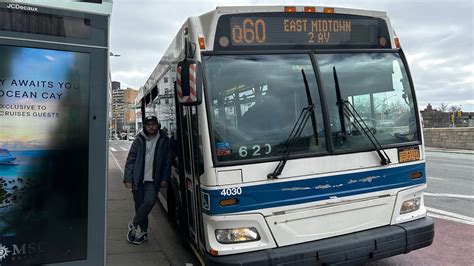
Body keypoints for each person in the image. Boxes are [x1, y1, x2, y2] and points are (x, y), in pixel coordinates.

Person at [123, 115, 172, 244]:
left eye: (153, 124)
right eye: (148, 124)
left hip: (153, 181)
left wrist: (164, 178)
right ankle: (143, 233)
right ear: (145, 126)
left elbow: (167, 162)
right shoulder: (139, 140)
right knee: (139, 207)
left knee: (149, 202)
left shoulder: (164, 140)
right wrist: (128, 178)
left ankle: (134, 225)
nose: (151, 127)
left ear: (158, 125)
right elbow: (131, 160)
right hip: (138, 179)